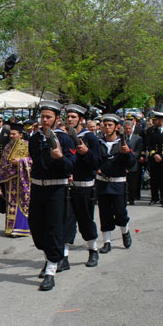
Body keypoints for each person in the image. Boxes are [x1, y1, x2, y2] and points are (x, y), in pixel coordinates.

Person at [28, 101, 75, 291]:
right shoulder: (35, 138)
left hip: (56, 189)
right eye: (43, 117)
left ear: (56, 118)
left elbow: (71, 166)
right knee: (37, 228)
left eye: (48, 117)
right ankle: (49, 259)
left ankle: (51, 270)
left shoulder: (65, 139)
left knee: (54, 229)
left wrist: (60, 157)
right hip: (38, 187)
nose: (45, 120)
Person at [63, 104, 101, 269]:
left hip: (85, 186)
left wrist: (86, 153)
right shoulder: (65, 137)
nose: (70, 119)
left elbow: (97, 163)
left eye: (73, 117)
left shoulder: (90, 138)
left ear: (81, 119)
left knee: (86, 220)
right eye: (68, 116)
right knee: (66, 221)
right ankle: (64, 257)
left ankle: (93, 250)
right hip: (68, 186)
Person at [96, 114, 136, 254]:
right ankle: (107, 242)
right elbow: (95, 160)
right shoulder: (99, 142)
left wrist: (127, 153)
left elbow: (131, 164)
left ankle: (125, 231)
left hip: (117, 183)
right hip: (103, 183)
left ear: (117, 127)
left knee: (120, 212)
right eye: (105, 125)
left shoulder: (122, 143)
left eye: (110, 125)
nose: (107, 128)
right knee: (104, 214)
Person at [0, 122, 32, 238]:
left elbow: (32, 161)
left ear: (20, 135)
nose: (11, 136)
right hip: (10, 181)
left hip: (23, 180)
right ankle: (10, 228)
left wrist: (20, 161)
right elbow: (2, 163)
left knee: (22, 204)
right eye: (10, 134)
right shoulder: (7, 147)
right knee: (10, 204)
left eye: (14, 134)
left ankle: (21, 228)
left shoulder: (27, 145)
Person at [123, 121, 144, 205]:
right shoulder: (121, 138)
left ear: (132, 128)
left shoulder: (138, 138)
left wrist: (129, 155)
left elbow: (138, 151)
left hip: (133, 163)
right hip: (123, 163)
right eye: (126, 128)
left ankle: (132, 198)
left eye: (129, 128)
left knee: (132, 182)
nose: (128, 130)